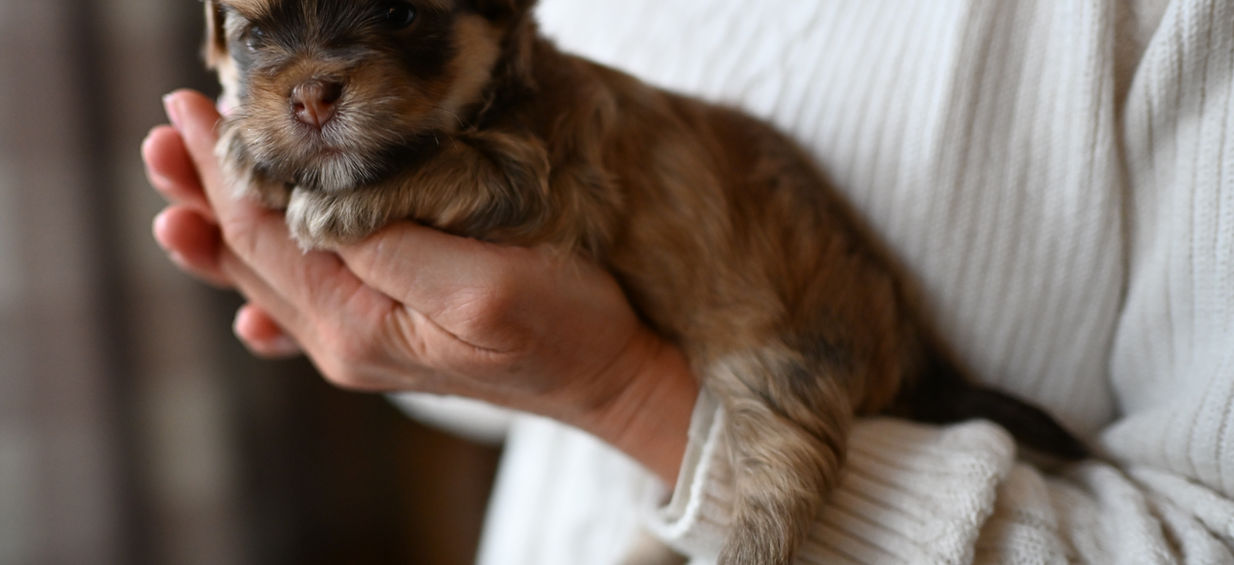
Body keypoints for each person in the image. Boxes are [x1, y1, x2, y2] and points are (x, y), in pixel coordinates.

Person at [143, 0, 1234, 562]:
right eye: (257, 34)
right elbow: (507, 379)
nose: (312, 85)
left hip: (802, 386)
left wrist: (626, 394)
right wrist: (396, 344)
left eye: (397, 19)